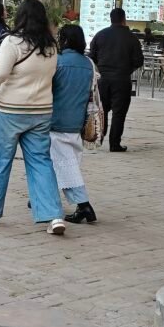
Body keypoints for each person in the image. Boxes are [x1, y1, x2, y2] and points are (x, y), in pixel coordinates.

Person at [0, 0, 67, 235]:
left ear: (21, 17)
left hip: (10, 112)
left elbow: (0, 72)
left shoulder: (13, 41)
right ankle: (53, 215)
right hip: (41, 112)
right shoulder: (51, 46)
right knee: (41, 163)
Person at [50, 24, 98, 224]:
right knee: (65, 163)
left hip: (56, 121)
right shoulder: (89, 63)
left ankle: (84, 205)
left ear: (65, 41)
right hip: (78, 122)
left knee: (65, 166)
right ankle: (43, 196)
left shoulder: (57, 62)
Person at [88, 7, 144, 152]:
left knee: (102, 110)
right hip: (122, 79)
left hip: (103, 79)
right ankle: (114, 143)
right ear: (124, 19)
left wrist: (101, 67)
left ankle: (99, 137)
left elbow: (92, 56)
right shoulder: (132, 38)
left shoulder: (100, 35)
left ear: (110, 19)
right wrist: (127, 69)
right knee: (119, 113)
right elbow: (139, 60)